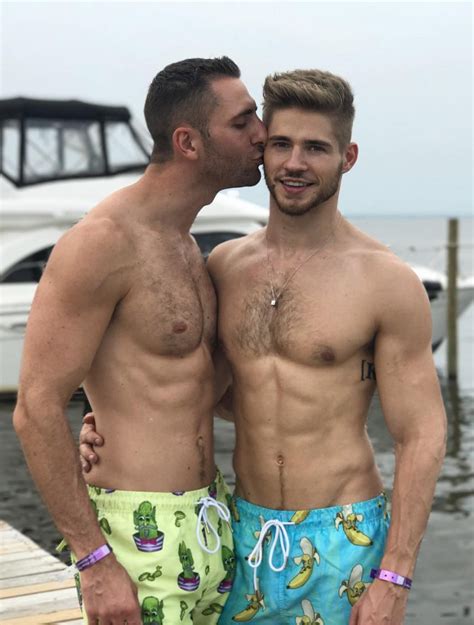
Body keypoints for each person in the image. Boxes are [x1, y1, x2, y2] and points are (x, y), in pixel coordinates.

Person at [81, 68, 447, 625]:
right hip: (238, 534)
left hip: (343, 537)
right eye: (281, 143)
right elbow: (200, 389)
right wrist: (103, 424)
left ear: (347, 157)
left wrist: (394, 578)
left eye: (316, 148)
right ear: (263, 151)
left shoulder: (385, 281)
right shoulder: (225, 267)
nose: (295, 163)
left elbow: (421, 432)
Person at [13, 56, 266, 625]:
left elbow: (183, 387)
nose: (262, 134)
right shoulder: (101, 242)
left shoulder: (184, 243)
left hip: (211, 517)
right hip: (135, 536)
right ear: (189, 142)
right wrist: (94, 561)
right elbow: (34, 408)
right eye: (243, 121)